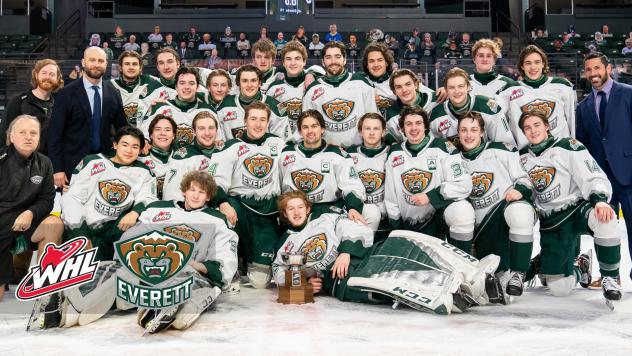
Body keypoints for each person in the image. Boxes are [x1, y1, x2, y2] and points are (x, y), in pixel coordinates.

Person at [33, 171, 237, 334]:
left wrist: (198, 265)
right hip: (145, 267)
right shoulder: (157, 209)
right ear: (184, 191)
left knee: (187, 289)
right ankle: (62, 310)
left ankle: (163, 308)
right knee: (113, 272)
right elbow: (129, 239)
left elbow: (225, 257)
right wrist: (131, 258)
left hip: (185, 269)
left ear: (209, 196)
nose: (195, 195)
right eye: (192, 190)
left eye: (201, 192)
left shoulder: (217, 220)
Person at [272, 191, 506, 315]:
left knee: (405, 251)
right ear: (284, 213)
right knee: (390, 284)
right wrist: (303, 288)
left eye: (299, 207)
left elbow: (353, 228)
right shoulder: (287, 245)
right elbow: (282, 277)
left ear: (307, 208)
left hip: (359, 257)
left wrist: (345, 252)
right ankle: (452, 296)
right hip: (339, 281)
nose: (296, 212)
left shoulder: (325, 219)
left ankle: (472, 276)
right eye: (290, 209)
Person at [518, 110, 622, 303]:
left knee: (605, 217)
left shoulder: (568, 146)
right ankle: (579, 264)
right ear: (523, 132)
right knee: (559, 289)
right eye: (527, 128)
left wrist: (599, 199)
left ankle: (610, 277)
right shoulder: (522, 157)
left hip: (576, 209)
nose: (533, 131)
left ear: (547, 126)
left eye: (537, 125)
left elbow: (592, 175)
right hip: (552, 221)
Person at [457, 112, 535, 296]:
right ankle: (534, 266)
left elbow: (525, 181)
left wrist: (519, 191)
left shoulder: (501, 150)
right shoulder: (452, 159)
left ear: (483, 132)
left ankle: (519, 271)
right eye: (464, 130)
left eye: (474, 130)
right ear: (458, 134)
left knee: (520, 212)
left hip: (501, 220)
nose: (469, 135)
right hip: (475, 230)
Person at [51, 126, 156, 261]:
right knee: (78, 275)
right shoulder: (93, 162)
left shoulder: (144, 172)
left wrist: (134, 213)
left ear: (141, 150)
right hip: (83, 227)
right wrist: (81, 234)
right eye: (125, 145)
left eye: (135, 147)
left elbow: (148, 197)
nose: (129, 150)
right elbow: (72, 199)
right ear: (115, 145)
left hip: (112, 229)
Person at [212, 101, 287, 289]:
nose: (258, 124)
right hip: (239, 207)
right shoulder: (232, 146)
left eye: (263, 119)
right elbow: (217, 180)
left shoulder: (278, 144)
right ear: (245, 121)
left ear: (269, 122)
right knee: (222, 218)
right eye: (253, 119)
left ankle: (251, 257)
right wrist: (223, 202)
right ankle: (231, 261)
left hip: (267, 213)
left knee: (259, 283)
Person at [384, 106, 475, 252]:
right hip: (409, 225)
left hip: (438, 220)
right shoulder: (395, 153)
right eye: (408, 124)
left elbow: (464, 184)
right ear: (402, 128)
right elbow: (391, 197)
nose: (414, 128)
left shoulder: (443, 147)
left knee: (462, 210)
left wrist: (431, 196)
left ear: (426, 126)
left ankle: (463, 262)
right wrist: (396, 230)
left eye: (418, 123)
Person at [576, 52, 632, 283]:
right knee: (604, 228)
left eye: (597, 68)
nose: (593, 74)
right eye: (588, 70)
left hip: (628, 174)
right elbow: (583, 147)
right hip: (602, 180)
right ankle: (611, 276)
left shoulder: (628, 94)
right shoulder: (583, 106)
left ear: (608, 68)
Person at [48, 46, 127, 191]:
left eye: (100, 61)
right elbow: (54, 135)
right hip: (72, 166)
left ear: (106, 64)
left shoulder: (114, 93)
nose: (96, 64)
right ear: (83, 62)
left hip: (105, 165)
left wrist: (143, 140)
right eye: (92, 60)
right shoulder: (65, 94)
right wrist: (57, 168)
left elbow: (123, 129)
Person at [0, 115, 55, 302]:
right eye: (22, 132)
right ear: (11, 137)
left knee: (55, 223)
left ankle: (44, 284)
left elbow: (48, 199)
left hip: (29, 222)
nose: (28, 137)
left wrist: (30, 213)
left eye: (33, 133)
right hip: (2, 224)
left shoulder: (45, 163)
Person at [280, 110, 367, 222]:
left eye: (314, 126)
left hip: (328, 210)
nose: (310, 131)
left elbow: (352, 185)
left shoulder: (337, 154)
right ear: (300, 131)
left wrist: (353, 207)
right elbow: (278, 186)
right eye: (305, 127)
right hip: (296, 212)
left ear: (322, 129)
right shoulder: (286, 154)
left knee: (370, 213)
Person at [302, 41, 378, 147]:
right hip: (326, 153)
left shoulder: (362, 84)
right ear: (323, 62)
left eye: (337, 56)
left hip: (359, 152)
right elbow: (307, 126)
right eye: (328, 57)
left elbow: (374, 121)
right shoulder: (312, 90)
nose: (333, 61)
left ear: (345, 59)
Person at [506, 45, 577, 149]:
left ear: (543, 64)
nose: (533, 67)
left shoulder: (562, 85)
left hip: (560, 151)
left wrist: (572, 147)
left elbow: (572, 120)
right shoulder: (510, 90)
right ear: (522, 66)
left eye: (537, 62)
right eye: (528, 63)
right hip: (528, 155)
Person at [430, 67, 515, 146]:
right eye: (451, 87)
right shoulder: (436, 114)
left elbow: (506, 144)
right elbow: (433, 150)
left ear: (468, 87)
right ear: (446, 90)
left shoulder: (488, 106)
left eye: (461, 86)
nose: (456, 91)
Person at [161, 111, 225, 204]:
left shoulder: (225, 151)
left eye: (211, 128)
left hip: (222, 203)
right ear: (194, 132)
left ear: (216, 130)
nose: (207, 133)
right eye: (201, 128)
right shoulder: (182, 156)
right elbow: (171, 195)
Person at [141, 67, 215, 147]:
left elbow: (217, 141)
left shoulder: (208, 111)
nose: (186, 87)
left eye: (191, 83)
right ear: (176, 87)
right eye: (182, 83)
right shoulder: (160, 107)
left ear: (197, 87)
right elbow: (144, 136)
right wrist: (145, 142)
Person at [2, 59, 63, 155]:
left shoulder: (59, 105)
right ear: (36, 75)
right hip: (22, 163)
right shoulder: (18, 102)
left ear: (57, 78)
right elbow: (4, 135)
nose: (47, 77)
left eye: (52, 74)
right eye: (44, 73)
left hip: (49, 164)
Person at [215, 64, 287, 141]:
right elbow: (220, 141)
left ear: (259, 83)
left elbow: (279, 143)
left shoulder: (276, 106)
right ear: (238, 83)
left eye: (253, 80)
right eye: (245, 81)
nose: (249, 85)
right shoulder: (225, 105)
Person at [346, 113, 390, 234]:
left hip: (387, 212)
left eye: (376, 128)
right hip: (361, 209)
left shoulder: (392, 153)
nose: (371, 133)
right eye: (367, 128)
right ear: (360, 131)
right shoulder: (349, 154)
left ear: (383, 132)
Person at [267, 41, 310, 137]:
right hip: (282, 144)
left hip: (309, 142)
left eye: (297, 58)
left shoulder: (313, 85)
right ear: (283, 62)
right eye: (288, 59)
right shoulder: (274, 89)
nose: (293, 63)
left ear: (304, 61)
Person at [384, 69, 438, 143]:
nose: (404, 90)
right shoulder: (391, 114)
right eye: (399, 87)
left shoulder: (437, 99)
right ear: (394, 91)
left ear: (416, 85)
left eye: (408, 84)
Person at [469, 39, 521, 117]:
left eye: (489, 56)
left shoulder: (510, 84)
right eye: (481, 55)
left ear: (494, 60)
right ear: (474, 59)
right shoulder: (463, 83)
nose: (485, 59)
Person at [110, 51, 162, 126]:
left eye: (134, 64)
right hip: (121, 134)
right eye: (127, 64)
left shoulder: (151, 81)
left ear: (140, 68)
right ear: (120, 68)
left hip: (146, 134)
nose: (131, 67)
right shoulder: (110, 86)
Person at [138, 114, 176, 199]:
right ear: (150, 135)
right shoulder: (139, 155)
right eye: (158, 129)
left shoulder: (182, 157)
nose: (162, 133)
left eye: (167, 130)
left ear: (173, 135)